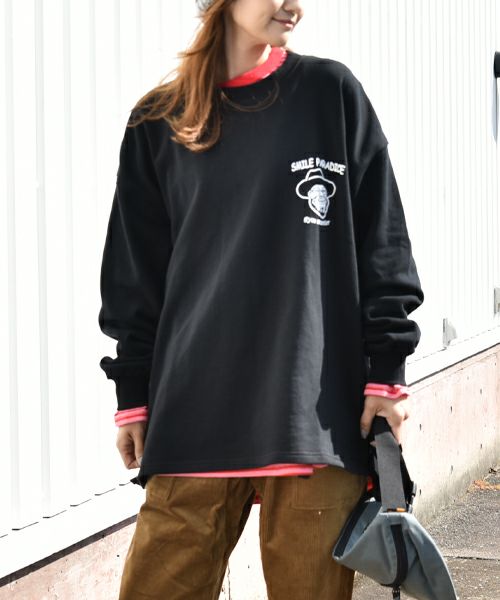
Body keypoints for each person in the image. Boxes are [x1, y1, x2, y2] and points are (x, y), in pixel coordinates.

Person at [97, 1, 424, 598]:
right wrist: (133, 396)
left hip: (313, 420)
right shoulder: (159, 121)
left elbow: (383, 242)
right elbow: (135, 275)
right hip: (193, 414)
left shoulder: (330, 94)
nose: (293, 4)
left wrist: (387, 374)